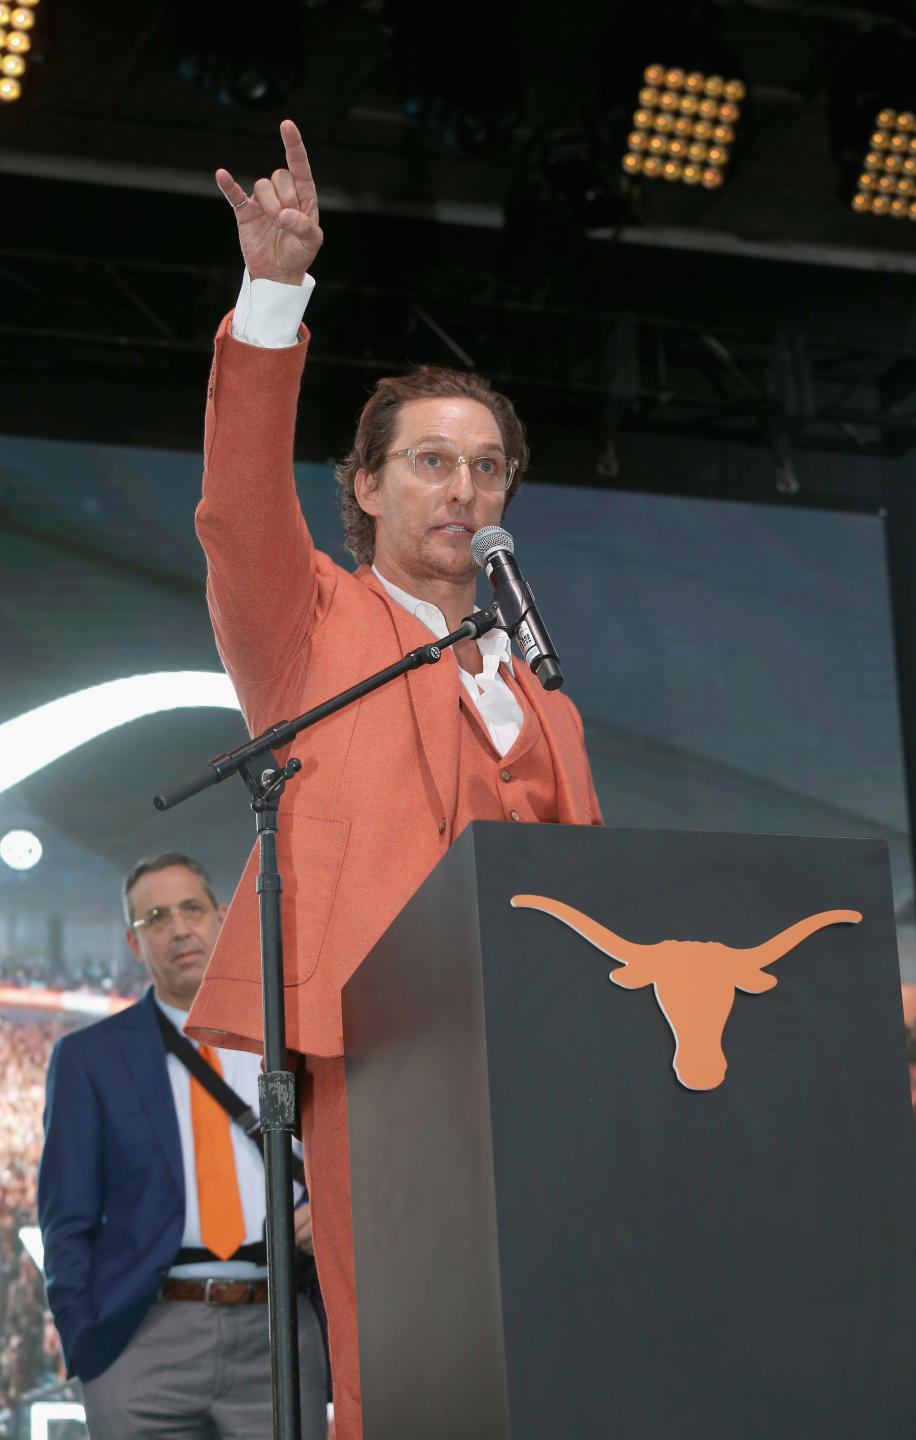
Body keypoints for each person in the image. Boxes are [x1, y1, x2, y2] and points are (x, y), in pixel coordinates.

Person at [185, 119, 603, 1440]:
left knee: (546, 1348)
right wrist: (272, 294)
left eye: (489, 466)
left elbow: (584, 870)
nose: (464, 487)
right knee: (403, 1359)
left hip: (535, 1056)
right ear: (362, 488)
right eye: (432, 460)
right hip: (382, 1051)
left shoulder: (534, 684)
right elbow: (236, 504)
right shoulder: (311, 628)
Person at [38, 852, 330, 1439]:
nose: (178, 928)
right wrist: (84, 1339)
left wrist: (329, 1208)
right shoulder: (88, 1058)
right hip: (143, 1339)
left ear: (223, 916)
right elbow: (64, 1220)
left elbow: (360, 1160)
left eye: (191, 908)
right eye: (155, 917)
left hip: (281, 1329)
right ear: (132, 940)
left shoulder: (297, 1039)